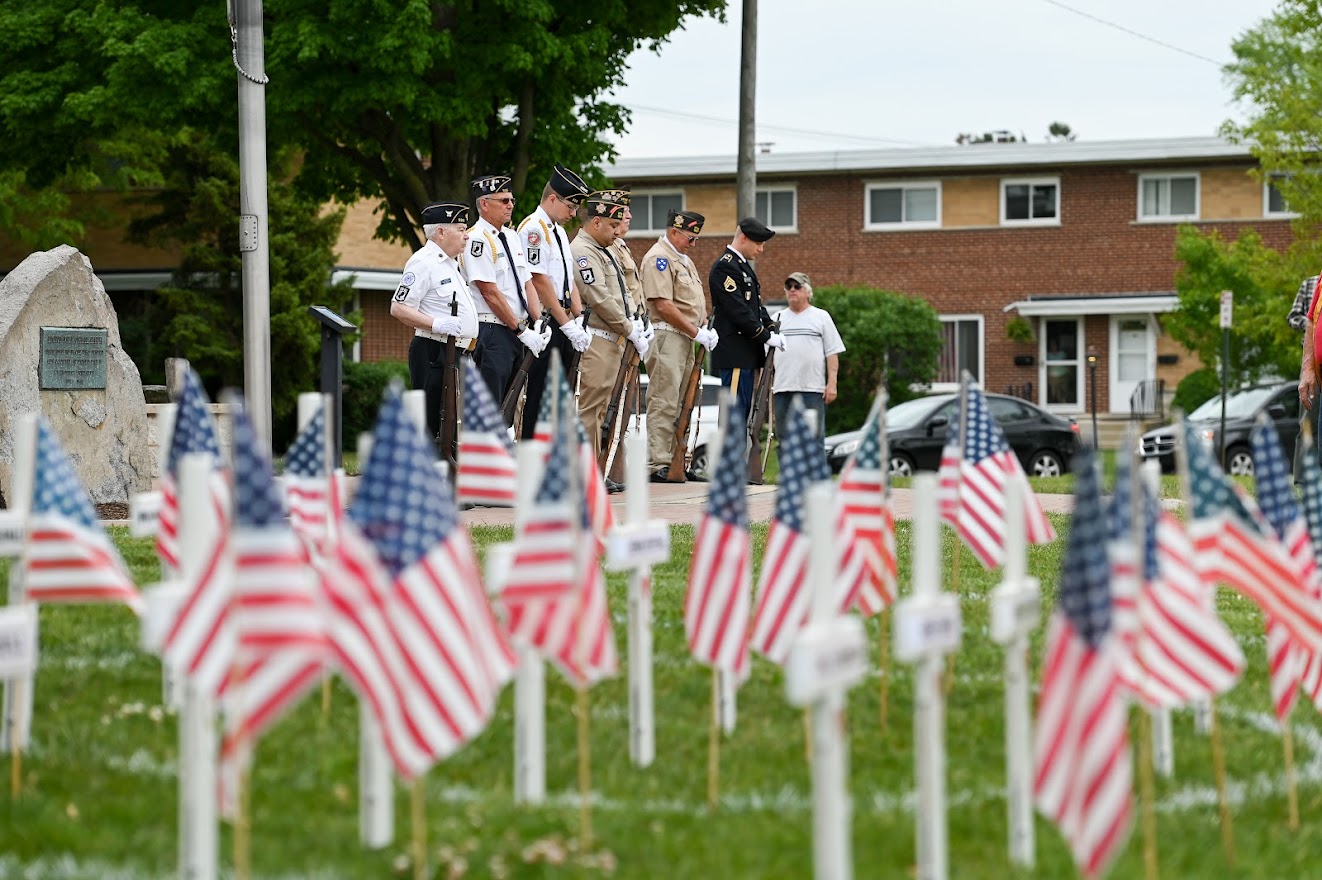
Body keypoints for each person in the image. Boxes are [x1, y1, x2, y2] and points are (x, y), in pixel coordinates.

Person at [571, 190, 652, 485]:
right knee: (589, 411)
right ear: (596, 222)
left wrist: (638, 322)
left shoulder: (605, 247)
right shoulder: (583, 249)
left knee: (603, 409)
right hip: (599, 338)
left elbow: (624, 292)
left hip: (614, 338)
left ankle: (594, 471)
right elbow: (599, 296)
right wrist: (629, 327)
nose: (618, 231)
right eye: (612, 225)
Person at [390, 201, 479, 444]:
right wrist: (436, 323)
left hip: (458, 351)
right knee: (430, 421)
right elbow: (398, 307)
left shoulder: (452, 264)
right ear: (440, 231)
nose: (466, 236)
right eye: (460, 229)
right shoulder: (424, 262)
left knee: (453, 422)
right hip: (434, 350)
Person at [517, 164, 593, 439]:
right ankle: (533, 457)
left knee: (559, 396)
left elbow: (567, 280)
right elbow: (539, 280)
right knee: (540, 394)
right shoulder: (533, 229)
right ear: (552, 199)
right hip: (546, 321)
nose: (573, 214)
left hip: (562, 318)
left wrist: (579, 317)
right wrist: (565, 322)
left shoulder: (558, 231)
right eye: (571, 206)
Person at [642, 209, 717, 482]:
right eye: (690, 238)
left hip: (686, 336)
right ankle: (657, 462)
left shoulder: (682, 260)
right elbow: (663, 304)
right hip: (668, 336)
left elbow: (692, 302)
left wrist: (703, 324)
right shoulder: (659, 258)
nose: (693, 244)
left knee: (683, 402)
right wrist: (696, 331)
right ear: (674, 232)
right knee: (665, 399)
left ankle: (675, 461)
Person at [466, 173, 550, 411]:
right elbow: (489, 292)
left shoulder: (511, 237)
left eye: (511, 200)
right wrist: (521, 330)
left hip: (516, 331)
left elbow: (527, 283)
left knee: (511, 408)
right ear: (484, 204)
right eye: (503, 201)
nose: (511, 205)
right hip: (492, 330)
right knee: (491, 408)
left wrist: (538, 322)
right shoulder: (476, 240)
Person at [710, 217, 784, 425]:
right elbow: (738, 310)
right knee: (733, 419)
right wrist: (765, 336)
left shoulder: (741, 266)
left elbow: (755, 306)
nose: (761, 249)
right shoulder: (725, 268)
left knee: (742, 416)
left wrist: (770, 325)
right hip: (735, 353)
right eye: (758, 243)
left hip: (746, 355)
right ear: (743, 238)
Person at [771, 272, 844, 443]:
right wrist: (766, 387)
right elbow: (765, 357)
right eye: (789, 287)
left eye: (797, 286)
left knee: (813, 438)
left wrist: (832, 384)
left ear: (808, 292)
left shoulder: (821, 317)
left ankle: (815, 470)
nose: (792, 290)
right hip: (783, 389)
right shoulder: (777, 319)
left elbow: (832, 352)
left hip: (812, 389)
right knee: (784, 439)